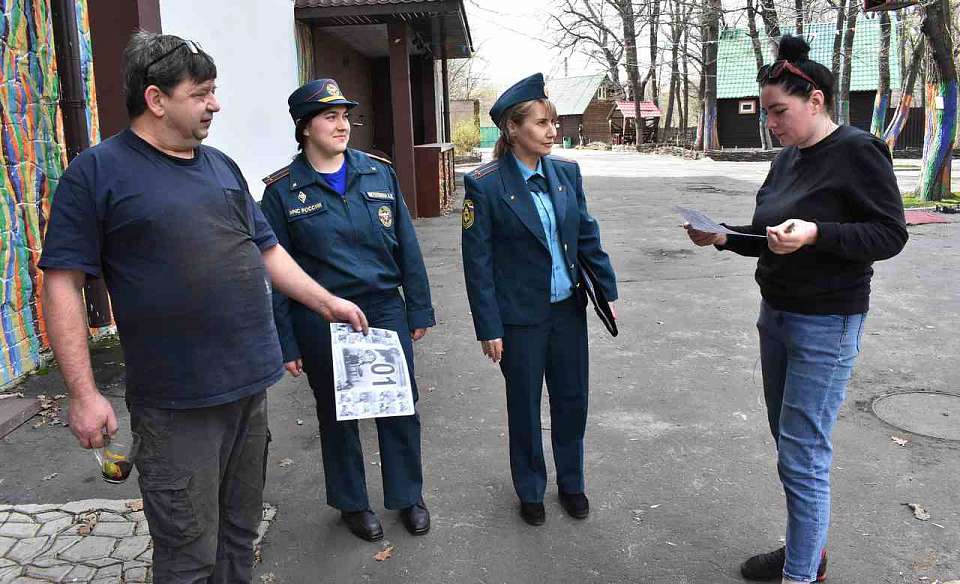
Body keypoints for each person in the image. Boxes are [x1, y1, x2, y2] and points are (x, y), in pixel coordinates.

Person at [39, 33, 367, 583]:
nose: (215, 104)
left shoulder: (221, 167)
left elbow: (267, 250)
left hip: (248, 388)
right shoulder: (98, 172)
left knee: (239, 537)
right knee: (189, 552)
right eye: (203, 93)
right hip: (176, 402)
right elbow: (61, 284)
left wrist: (325, 300)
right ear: (156, 98)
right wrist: (84, 393)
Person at [684, 36, 907, 584]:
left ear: (816, 101)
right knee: (790, 446)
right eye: (765, 113)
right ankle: (808, 551)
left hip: (826, 324)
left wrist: (817, 234)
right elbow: (767, 234)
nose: (771, 124)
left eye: (779, 111)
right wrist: (723, 238)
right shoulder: (785, 161)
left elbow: (889, 233)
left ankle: (802, 574)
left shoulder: (858, 150)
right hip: (776, 316)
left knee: (803, 454)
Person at [259, 79, 435, 542]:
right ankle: (352, 503)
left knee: (399, 405)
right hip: (322, 317)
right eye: (329, 117)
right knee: (338, 414)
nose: (341, 125)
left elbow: (407, 245)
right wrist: (287, 340)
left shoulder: (378, 173)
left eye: (344, 116)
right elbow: (277, 273)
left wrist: (418, 308)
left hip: (383, 308)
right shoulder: (280, 193)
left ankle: (407, 495)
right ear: (304, 128)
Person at [461, 73, 618, 526]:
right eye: (542, 123)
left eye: (553, 122)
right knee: (525, 407)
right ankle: (530, 488)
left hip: (568, 310)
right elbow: (478, 264)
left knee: (572, 400)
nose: (553, 131)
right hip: (519, 320)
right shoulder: (485, 185)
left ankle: (572, 483)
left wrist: (605, 291)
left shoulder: (566, 173)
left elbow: (586, 235)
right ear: (513, 130)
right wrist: (489, 327)